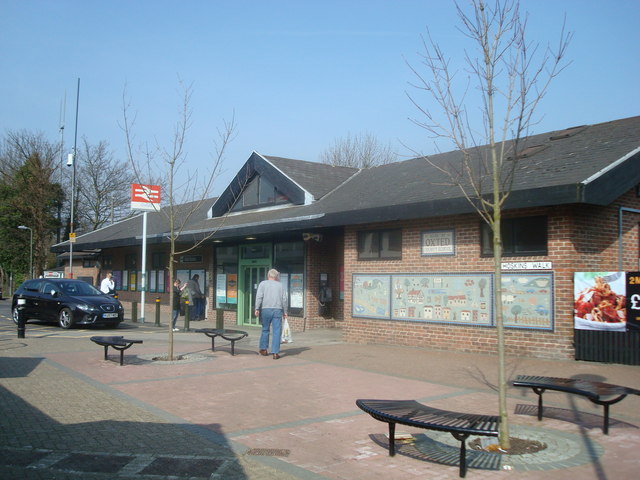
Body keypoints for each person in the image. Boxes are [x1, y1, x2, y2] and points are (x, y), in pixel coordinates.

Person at [254, 268, 288, 359]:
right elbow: (284, 300)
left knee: (265, 329)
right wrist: (285, 312)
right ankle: (275, 352)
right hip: (277, 310)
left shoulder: (262, 284)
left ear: (268, 275)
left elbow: (259, 297)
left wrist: (257, 308)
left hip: (265, 309)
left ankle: (264, 349)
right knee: (277, 331)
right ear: (276, 276)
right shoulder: (280, 285)